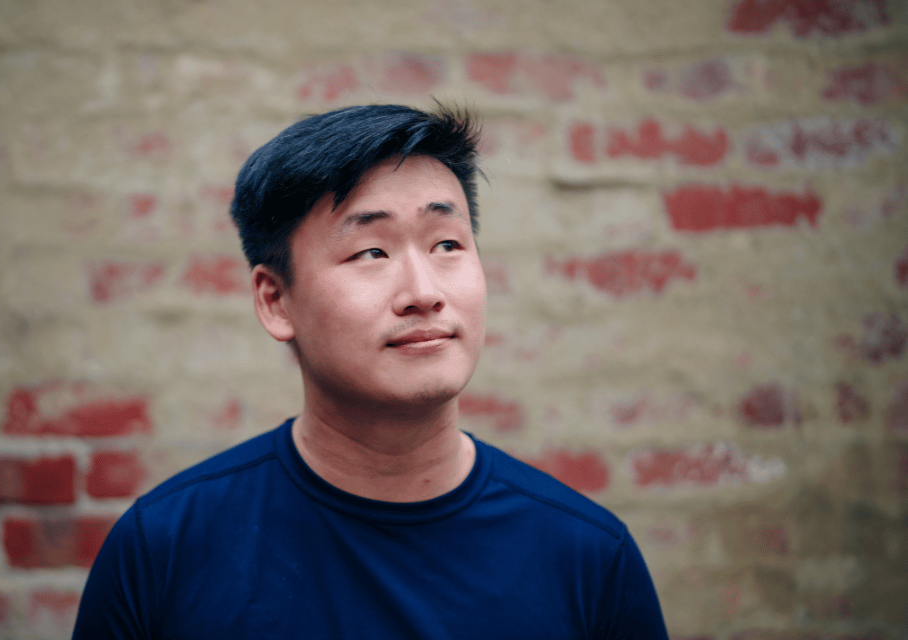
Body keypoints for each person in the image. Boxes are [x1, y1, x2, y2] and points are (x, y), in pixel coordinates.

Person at [72, 104, 669, 639]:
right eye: (372, 253)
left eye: (447, 244)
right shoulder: (165, 549)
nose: (423, 292)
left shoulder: (587, 558)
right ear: (276, 300)